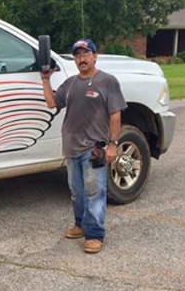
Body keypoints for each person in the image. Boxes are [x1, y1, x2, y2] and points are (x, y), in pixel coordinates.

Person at [40, 38, 126, 254]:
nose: (82, 59)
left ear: (95, 56)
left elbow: (115, 115)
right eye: (78, 55)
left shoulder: (107, 81)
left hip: (93, 148)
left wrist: (113, 144)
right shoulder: (70, 84)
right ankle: (80, 225)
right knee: (77, 192)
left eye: (86, 54)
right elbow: (52, 103)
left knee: (94, 192)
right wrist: (45, 79)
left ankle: (95, 234)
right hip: (71, 148)